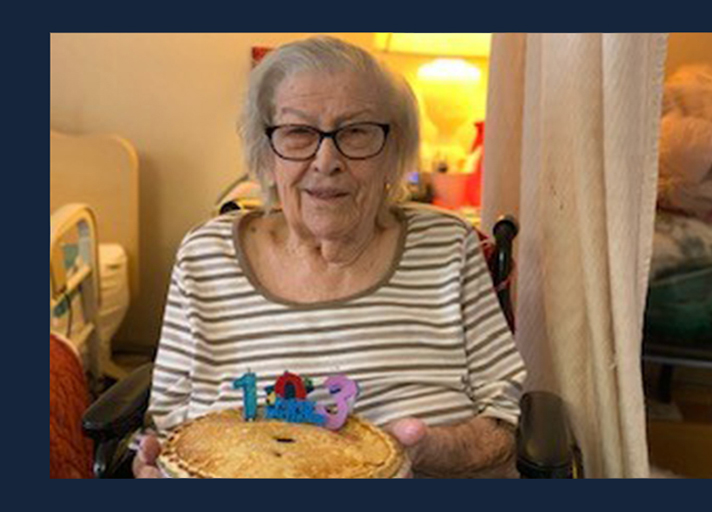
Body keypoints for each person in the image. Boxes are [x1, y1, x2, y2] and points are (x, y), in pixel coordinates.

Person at [134, 36, 526, 479]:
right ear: (266, 153)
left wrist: (428, 449)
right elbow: (167, 429)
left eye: (355, 132)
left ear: (393, 152)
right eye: (299, 132)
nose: (327, 160)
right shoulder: (205, 256)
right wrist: (151, 468)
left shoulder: (448, 246)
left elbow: (501, 423)